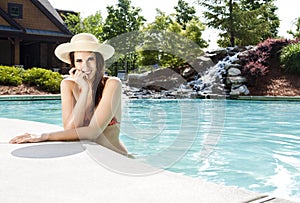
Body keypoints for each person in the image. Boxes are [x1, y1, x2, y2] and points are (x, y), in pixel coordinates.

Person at [10, 33, 129, 156]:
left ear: (99, 60)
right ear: (73, 64)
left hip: (117, 157)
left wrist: (45, 136)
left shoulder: (112, 84)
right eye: (79, 60)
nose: (85, 66)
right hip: (88, 158)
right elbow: (70, 129)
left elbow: (93, 132)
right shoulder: (68, 85)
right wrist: (84, 92)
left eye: (90, 59)